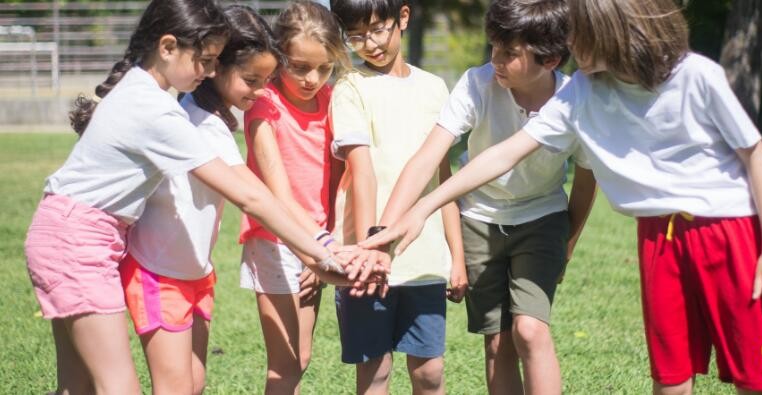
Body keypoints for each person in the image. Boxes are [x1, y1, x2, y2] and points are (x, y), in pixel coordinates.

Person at [365, 0, 762, 394]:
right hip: (657, 235)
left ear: (613, 34)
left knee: (751, 373)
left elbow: (756, 156)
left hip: (728, 231)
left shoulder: (695, 75)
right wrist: (424, 206)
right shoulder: (582, 90)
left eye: (578, 34)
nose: (569, 44)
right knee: (671, 373)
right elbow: (505, 153)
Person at [23, 1, 362, 393]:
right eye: (205, 60)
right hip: (77, 241)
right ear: (167, 48)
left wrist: (318, 252)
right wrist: (321, 254)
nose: (210, 71)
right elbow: (252, 197)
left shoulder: (155, 97)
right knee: (118, 385)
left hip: (72, 234)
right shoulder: (164, 114)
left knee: (77, 384)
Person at [376, 1, 596, 393]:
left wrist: (569, 241)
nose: (495, 59)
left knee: (529, 330)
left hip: (542, 217)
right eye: (494, 45)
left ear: (551, 59)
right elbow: (429, 156)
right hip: (478, 218)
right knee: (497, 341)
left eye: (510, 53)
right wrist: (386, 229)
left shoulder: (572, 100)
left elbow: (585, 178)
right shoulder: (477, 84)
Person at [116, 5, 303, 394]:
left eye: (267, 81)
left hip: (194, 271)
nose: (261, 91)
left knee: (194, 383)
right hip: (159, 271)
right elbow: (252, 197)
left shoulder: (209, 117)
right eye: (251, 79)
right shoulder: (197, 122)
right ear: (216, 66)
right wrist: (318, 250)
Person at [328, 0, 466, 394]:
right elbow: (362, 172)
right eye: (354, 35)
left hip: (424, 259)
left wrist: (456, 257)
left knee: (429, 373)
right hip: (367, 258)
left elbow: (444, 182)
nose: (368, 44)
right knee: (376, 372)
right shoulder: (350, 87)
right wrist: (374, 249)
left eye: (376, 29)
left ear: (402, 18)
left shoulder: (435, 88)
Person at [238, 1, 351, 393]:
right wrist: (318, 248)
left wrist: (326, 239)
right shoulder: (264, 103)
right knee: (284, 364)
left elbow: (342, 179)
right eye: (299, 66)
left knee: (299, 359)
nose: (312, 79)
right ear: (278, 54)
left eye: (323, 68)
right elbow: (278, 194)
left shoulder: (334, 100)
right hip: (275, 238)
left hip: (317, 241)